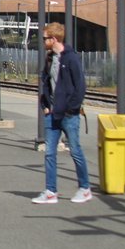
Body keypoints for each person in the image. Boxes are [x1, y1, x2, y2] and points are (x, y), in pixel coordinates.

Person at [34, 22, 92, 204]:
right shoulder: (50, 58)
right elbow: (45, 81)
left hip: (68, 115)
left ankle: (85, 188)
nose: (42, 41)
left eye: (44, 38)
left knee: (75, 151)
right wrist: (45, 104)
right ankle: (51, 191)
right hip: (52, 114)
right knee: (49, 153)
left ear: (54, 39)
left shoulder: (71, 59)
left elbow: (80, 87)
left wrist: (70, 109)